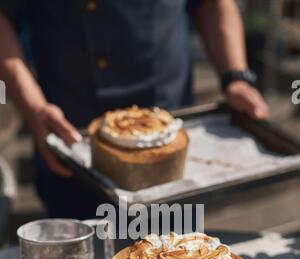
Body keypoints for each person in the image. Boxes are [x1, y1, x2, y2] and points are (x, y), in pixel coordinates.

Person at [0, 0, 269, 219]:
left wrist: (235, 77)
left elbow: (212, 3)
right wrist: (35, 107)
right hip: (70, 136)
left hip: (167, 138)